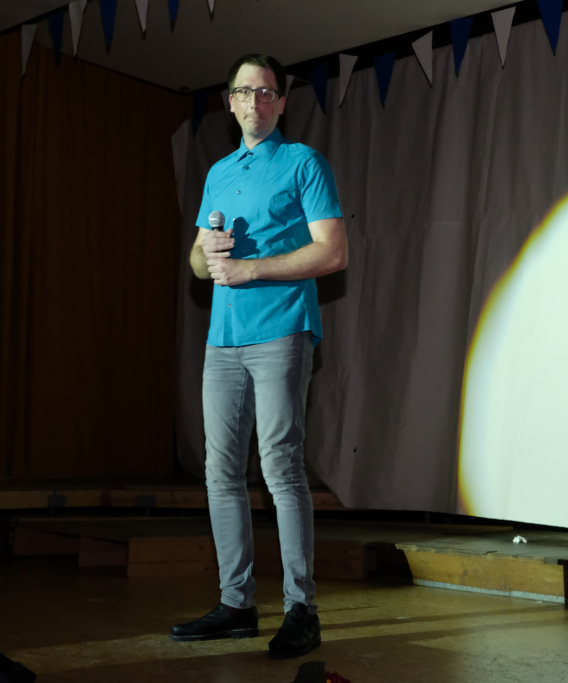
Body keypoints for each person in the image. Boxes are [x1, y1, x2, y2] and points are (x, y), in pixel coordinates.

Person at [170, 53, 347, 660]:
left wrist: (251, 268)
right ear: (231, 103)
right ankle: (236, 604)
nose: (256, 102)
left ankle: (301, 610)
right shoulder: (219, 172)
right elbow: (198, 262)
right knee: (220, 470)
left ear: (281, 103)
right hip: (222, 340)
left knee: (280, 466)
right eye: (245, 92)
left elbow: (332, 252)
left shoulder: (303, 163)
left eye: (267, 92)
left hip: (281, 331)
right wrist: (210, 253)